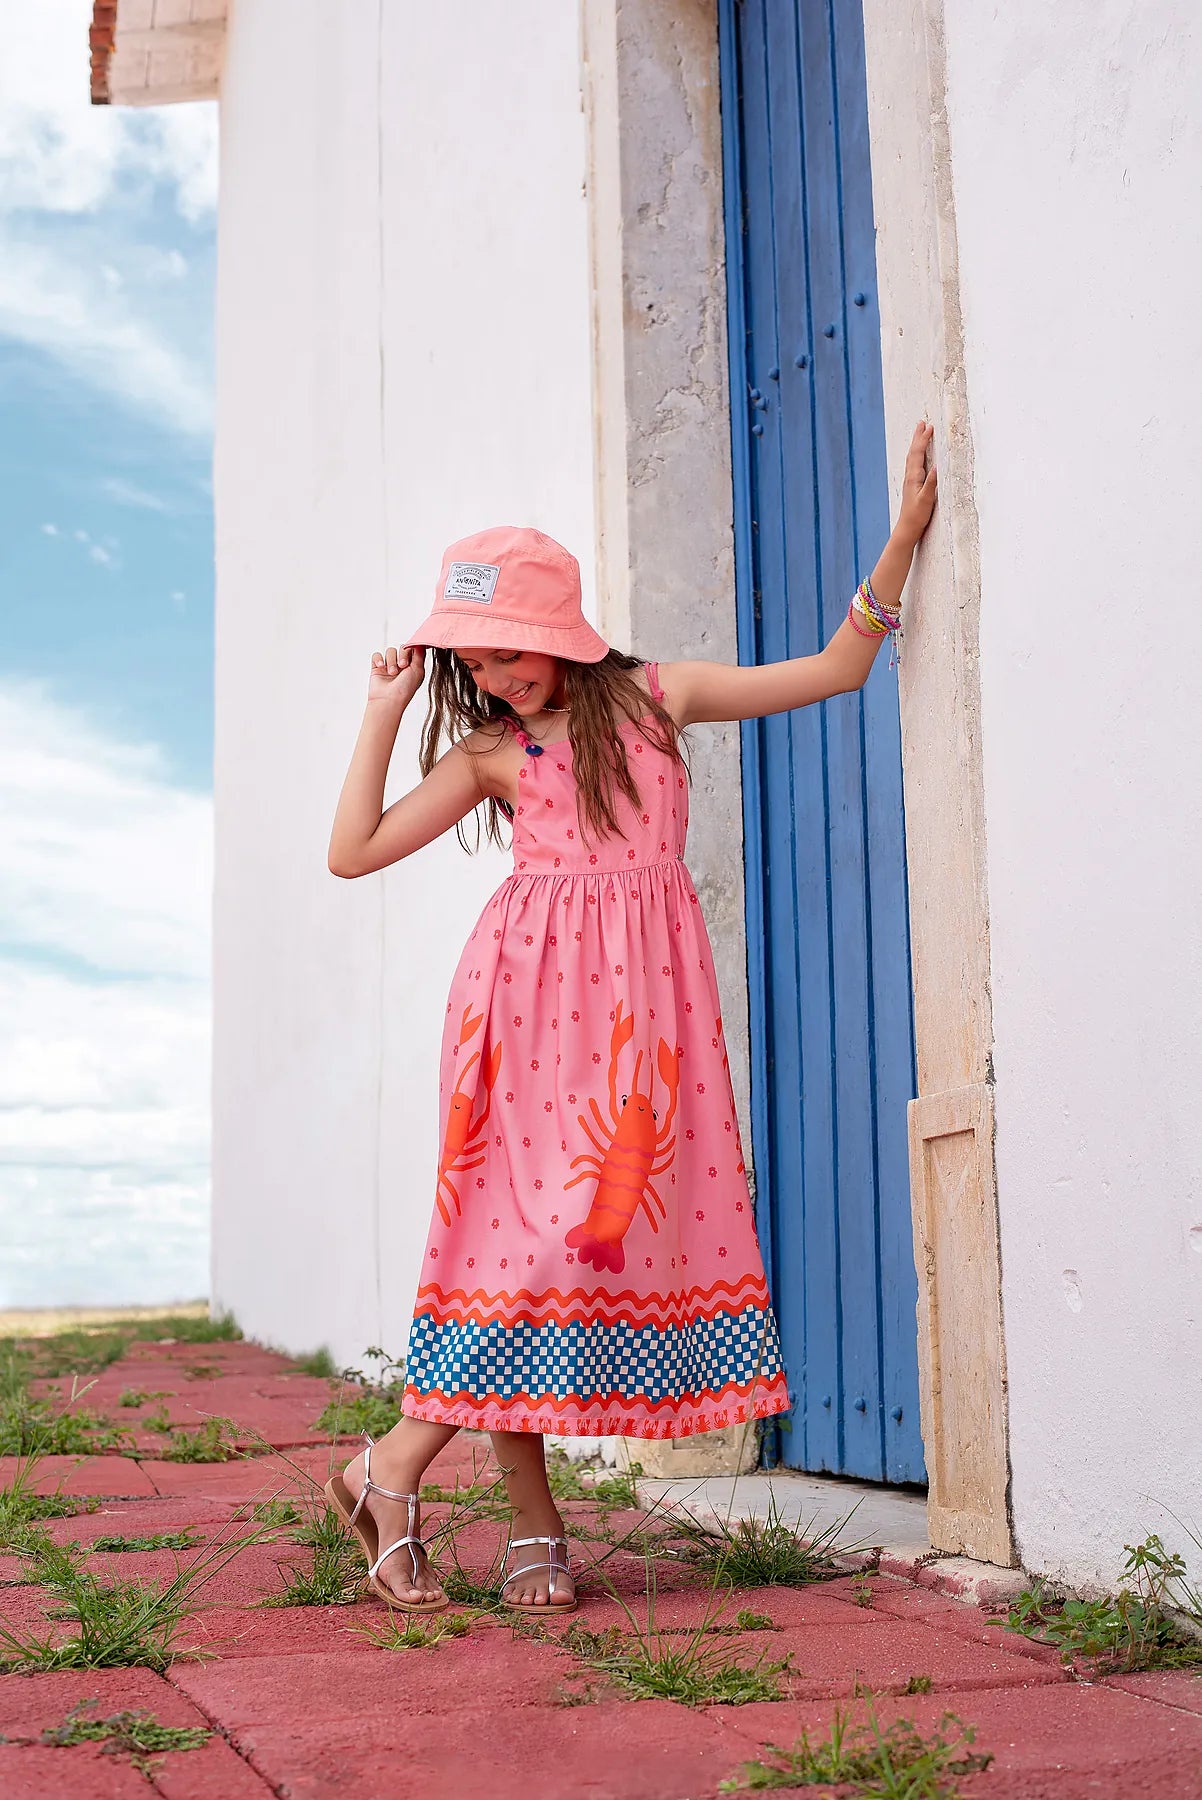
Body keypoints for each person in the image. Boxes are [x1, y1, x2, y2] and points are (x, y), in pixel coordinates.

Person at [325, 422, 938, 1615]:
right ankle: (514, 1525)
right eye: (481, 659)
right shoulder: (492, 752)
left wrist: (901, 541)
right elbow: (350, 853)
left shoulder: (662, 700)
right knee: (520, 1256)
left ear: (560, 631)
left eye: (514, 653)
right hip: (517, 1014)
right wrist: (384, 711)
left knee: (580, 1254)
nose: (500, 677)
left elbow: (830, 671)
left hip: (637, 1032)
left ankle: (392, 1471)